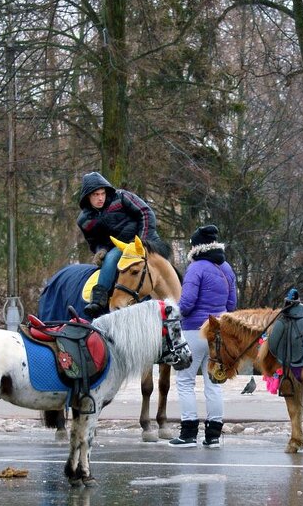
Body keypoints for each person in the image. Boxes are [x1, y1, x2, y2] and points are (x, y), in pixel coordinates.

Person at [170, 225, 238, 448]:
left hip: (193, 331)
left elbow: (187, 303)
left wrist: (175, 313)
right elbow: (232, 305)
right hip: (218, 334)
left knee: (185, 381)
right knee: (214, 384)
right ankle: (214, 436)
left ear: (196, 247)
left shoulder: (196, 268)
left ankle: (188, 433)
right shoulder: (227, 268)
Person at [75, 171, 162, 319]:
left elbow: (145, 213)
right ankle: (98, 301)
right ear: (87, 196)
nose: (100, 197)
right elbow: (94, 242)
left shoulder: (121, 197)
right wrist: (100, 251)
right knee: (110, 259)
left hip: (142, 239)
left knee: (164, 262)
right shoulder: (84, 220)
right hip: (118, 248)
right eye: (96, 195)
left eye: (102, 193)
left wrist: (143, 240)